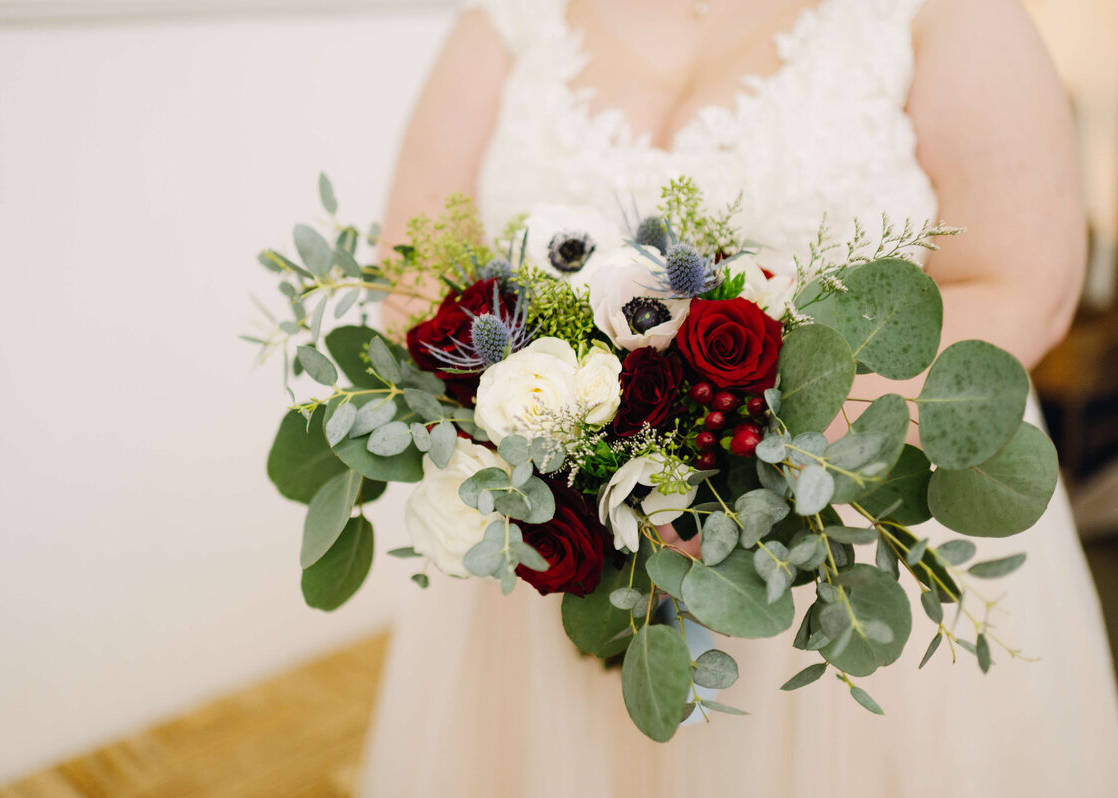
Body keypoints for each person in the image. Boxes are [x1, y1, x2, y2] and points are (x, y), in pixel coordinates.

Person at [364, 1, 1118, 795]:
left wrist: (731, 458)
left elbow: (1021, 283)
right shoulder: (511, 19)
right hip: (556, 535)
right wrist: (581, 456)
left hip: (854, 534)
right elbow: (411, 278)